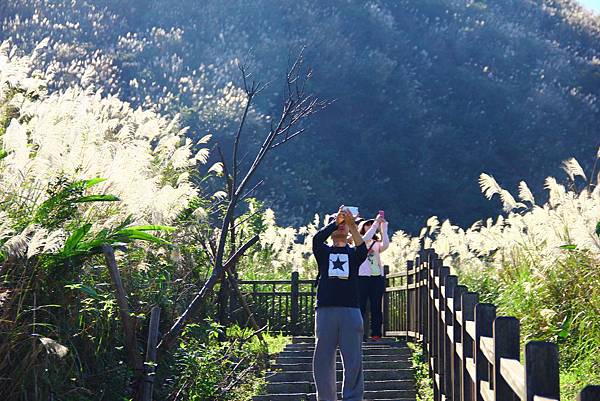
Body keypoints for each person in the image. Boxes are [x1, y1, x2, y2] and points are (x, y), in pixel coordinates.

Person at [312, 205, 368, 401]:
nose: (342, 226)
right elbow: (317, 239)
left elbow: (362, 249)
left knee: (353, 361)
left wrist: (352, 225)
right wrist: (336, 221)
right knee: (323, 360)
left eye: (344, 224)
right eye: (339, 224)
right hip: (325, 310)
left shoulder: (354, 254)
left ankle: (353, 397)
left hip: (351, 310)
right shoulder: (323, 251)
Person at [357, 214, 389, 340]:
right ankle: (360, 333)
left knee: (376, 307)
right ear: (362, 227)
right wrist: (376, 224)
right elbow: (365, 238)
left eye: (371, 225)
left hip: (376, 277)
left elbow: (385, 245)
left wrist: (383, 228)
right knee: (361, 307)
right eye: (367, 225)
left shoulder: (376, 243)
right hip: (362, 277)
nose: (370, 226)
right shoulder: (358, 240)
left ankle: (376, 333)